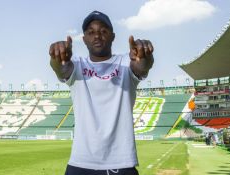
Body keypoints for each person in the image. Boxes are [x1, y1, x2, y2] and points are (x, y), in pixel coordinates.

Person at [50, 10, 154, 175]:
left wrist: (145, 55)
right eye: (91, 32)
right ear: (84, 39)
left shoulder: (126, 62)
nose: (97, 36)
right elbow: (62, 69)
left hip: (121, 162)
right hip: (80, 163)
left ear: (113, 36)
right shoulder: (77, 64)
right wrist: (57, 58)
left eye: (103, 31)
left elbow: (141, 65)